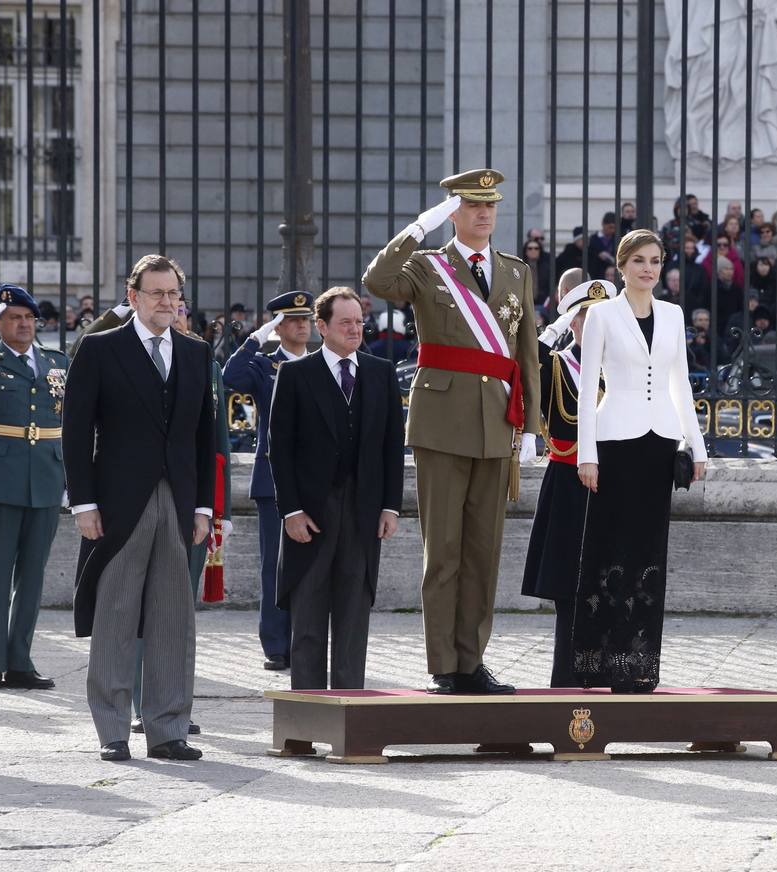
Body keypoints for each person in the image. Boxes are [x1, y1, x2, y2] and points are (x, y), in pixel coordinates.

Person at [362, 168, 541, 695]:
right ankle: (444, 663)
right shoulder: (425, 266)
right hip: (442, 425)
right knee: (443, 551)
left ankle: (473, 660)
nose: (484, 214)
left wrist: (530, 427)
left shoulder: (515, 273)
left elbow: (525, 354)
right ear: (452, 213)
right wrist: (421, 226)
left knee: (483, 552)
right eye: (471, 206)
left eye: (491, 206)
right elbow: (377, 281)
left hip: (496, 424)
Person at [63, 254, 216, 762]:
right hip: (117, 502)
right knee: (116, 611)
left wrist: (204, 508)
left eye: (174, 294)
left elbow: (202, 438)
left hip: (177, 500)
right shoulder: (100, 349)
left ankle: (169, 728)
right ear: (133, 297)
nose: (168, 303)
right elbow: (77, 431)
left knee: (175, 616)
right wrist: (82, 502)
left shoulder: (196, 353)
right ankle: (113, 729)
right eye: (157, 294)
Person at [573, 230, 707, 692]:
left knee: (649, 554)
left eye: (654, 261)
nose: (647, 269)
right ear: (621, 265)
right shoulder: (602, 316)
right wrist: (586, 455)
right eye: (638, 261)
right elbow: (589, 386)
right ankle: (600, 662)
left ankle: (639, 665)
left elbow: (680, 384)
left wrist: (697, 445)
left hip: (659, 445)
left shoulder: (672, 315)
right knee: (611, 552)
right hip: (614, 444)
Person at [267, 287, 404, 691]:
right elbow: (281, 449)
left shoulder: (380, 373)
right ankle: (306, 719)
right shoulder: (294, 375)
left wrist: (390, 508)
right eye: (345, 322)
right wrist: (290, 511)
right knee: (307, 622)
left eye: (360, 321)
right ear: (322, 326)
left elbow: (391, 447)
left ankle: (350, 714)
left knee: (353, 622)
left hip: (363, 513)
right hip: (311, 515)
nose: (355, 329)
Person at [522, 279, 614, 687]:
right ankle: (566, 680)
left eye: (601, 317)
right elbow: (524, 362)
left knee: (612, 585)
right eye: (584, 317)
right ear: (572, 323)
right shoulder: (557, 365)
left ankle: (607, 674)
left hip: (614, 487)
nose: (593, 324)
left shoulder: (622, 369)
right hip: (568, 485)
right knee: (570, 591)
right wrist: (554, 328)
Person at [0, 285, 67, 692]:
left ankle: (20, 662)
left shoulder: (55, 362)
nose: (25, 324)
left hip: (46, 476)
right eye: (14, 317)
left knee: (32, 576)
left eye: (29, 318)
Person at [221, 290, 315, 671]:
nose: (301, 325)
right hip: (273, 477)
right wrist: (258, 337)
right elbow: (230, 377)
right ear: (278, 325)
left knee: (313, 565)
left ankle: (306, 639)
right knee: (273, 565)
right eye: (291, 320)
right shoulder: (264, 364)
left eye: (306, 318)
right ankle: (276, 644)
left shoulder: (322, 363)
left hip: (315, 479)